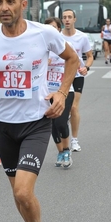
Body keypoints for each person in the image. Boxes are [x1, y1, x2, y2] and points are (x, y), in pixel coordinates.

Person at [0, 0, 79, 222]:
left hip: (36, 123)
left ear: (23, 5)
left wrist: (61, 92)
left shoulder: (43, 33)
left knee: (23, 191)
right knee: (19, 196)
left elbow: (72, 59)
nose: (4, 8)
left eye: (10, 2)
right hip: (4, 126)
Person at [45, 17, 85, 168]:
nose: (51, 31)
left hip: (65, 91)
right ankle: (60, 151)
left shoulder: (66, 47)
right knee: (52, 125)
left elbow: (78, 63)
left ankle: (67, 149)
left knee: (61, 122)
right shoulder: (41, 49)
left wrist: (83, 69)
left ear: (58, 30)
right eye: (48, 28)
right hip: (46, 92)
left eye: (54, 28)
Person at [61, 9, 93, 152]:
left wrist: (86, 67)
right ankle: (66, 130)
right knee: (64, 109)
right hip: (61, 76)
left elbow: (90, 56)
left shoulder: (82, 37)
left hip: (77, 76)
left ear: (74, 19)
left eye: (69, 17)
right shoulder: (57, 36)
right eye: (64, 17)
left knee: (74, 107)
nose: (67, 20)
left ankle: (74, 140)